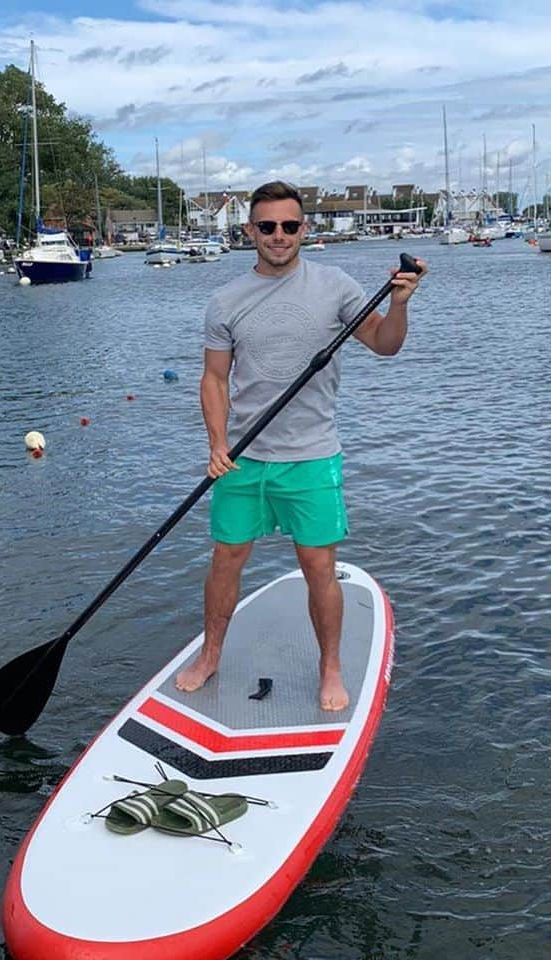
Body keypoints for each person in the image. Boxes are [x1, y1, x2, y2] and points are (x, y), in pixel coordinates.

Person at [175, 179, 424, 711]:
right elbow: (214, 379)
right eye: (267, 227)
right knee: (226, 560)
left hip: (312, 455)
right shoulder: (226, 301)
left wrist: (399, 303)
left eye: (290, 226)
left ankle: (329, 667)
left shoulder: (336, 287)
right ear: (250, 232)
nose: (279, 236)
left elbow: (384, 344)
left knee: (318, 566)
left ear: (304, 230)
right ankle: (211, 653)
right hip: (243, 456)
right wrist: (217, 442)